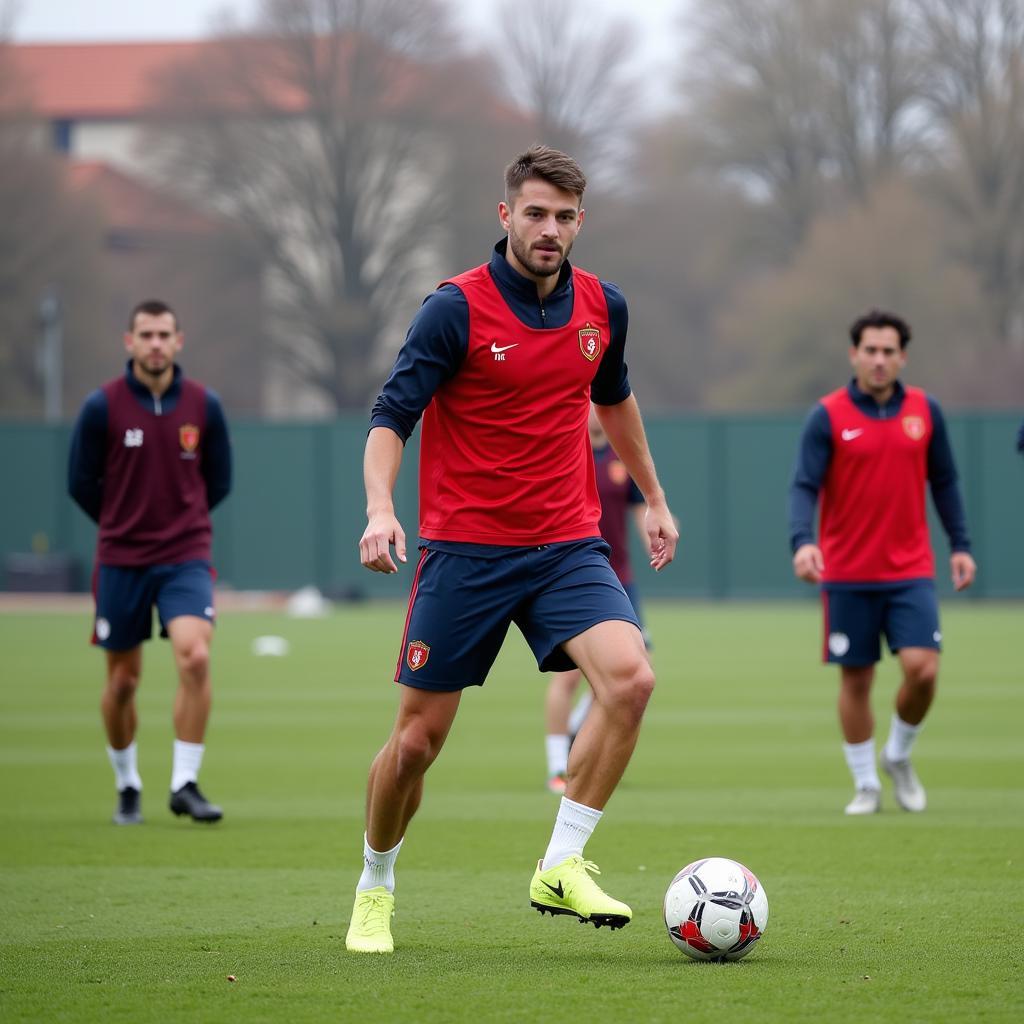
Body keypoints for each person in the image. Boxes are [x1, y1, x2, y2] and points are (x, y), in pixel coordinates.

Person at [346, 145, 679, 954]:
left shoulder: (604, 306)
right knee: (416, 745)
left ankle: (561, 862)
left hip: (567, 544)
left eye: (565, 217)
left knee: (632, 679)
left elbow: (617, 399)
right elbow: (392, 416)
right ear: (506, 216)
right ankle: (375, 884)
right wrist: (381, 508)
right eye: (535, 213)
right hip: (465, 553)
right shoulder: (453, 308)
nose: (550, 229)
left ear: (580, 222)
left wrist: (654, 498)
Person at [788, 309, 976, 816]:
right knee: (857, 680)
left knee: (923, 670)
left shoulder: (924, 410)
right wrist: (802, 540)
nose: (878, 359)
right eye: (869, 350)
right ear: (854, 354)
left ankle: (897, 755)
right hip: (846, 571)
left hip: (910, 569)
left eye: (888, 351)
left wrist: (960, 544)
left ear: (902, 357)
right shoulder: (827, 415)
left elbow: (946, 482)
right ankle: (866, 783)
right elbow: (804, 485)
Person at [68, 299, 232, 826]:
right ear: (130, 342)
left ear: (178, 341)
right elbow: (80, 483)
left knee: (196, 657)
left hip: (185, 555)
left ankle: (184, 782)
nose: (156, 343)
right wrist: (123, 523)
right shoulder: (102, 407)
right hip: (121, 559)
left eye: (165, 334)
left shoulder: (204, 406)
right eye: (147, 334)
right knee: (123, 683)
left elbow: (219, 481)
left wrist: (181, 522)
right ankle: (127, 784)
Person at [544, 405, 651, 795]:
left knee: (632, 672)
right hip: (572, 577)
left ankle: (577, 732)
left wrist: (654, 537)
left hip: (620, 580)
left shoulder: (623, 455)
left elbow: (641, 509)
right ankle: (557, 765)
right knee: (569, 675)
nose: (595, 408)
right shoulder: (566, 448)